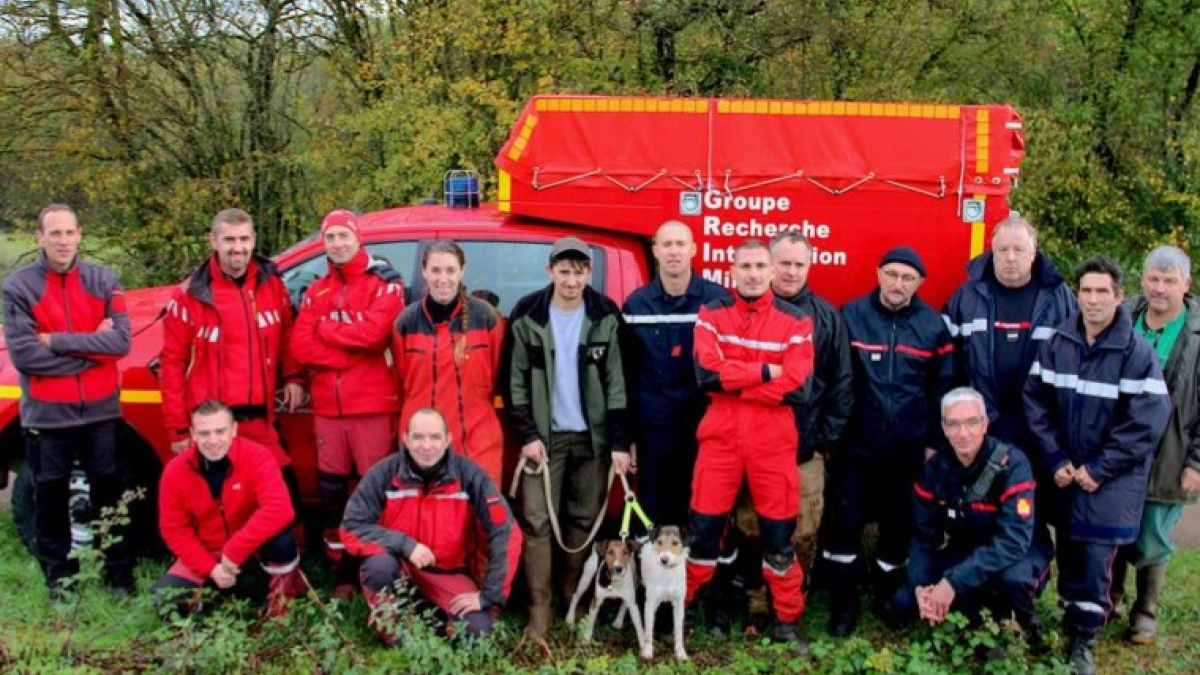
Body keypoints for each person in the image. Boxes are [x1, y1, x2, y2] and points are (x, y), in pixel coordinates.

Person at [1025, 254, 1171, 675]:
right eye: (1085, 291)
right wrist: (1054, 458)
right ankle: (1068, 620)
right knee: (1068, 550)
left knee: (1094, 559)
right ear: (1076, 294)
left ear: (1120, 296)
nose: (1092, 299)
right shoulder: (1057, 343)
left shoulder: (1136, 352)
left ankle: (1084, 640)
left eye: (1102, 292)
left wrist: (1098, 469)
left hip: (1108, 481)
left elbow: (1147, 422)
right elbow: (1035, 402)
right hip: (1064, 474)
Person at [940, 213, 1073, 617]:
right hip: (983, 434)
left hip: (1040, 435)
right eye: (1003, 249)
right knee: (981, 511)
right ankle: (982, 593)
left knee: (1036, 518)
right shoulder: (968, 296)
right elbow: (949, 368)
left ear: (1034, 253)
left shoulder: (1059, 298)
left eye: (1019, 249)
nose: (1010, 258)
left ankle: (1028, 591)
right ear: (991, 252)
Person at [684, 238, 815, 648]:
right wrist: (764, 371)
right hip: (719, 440)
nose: (754, 274)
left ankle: (787, 622)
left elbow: (798, 388)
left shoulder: (796, 321)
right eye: (746, 267)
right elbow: (706, 374)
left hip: (773, 443)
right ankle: (689, 608)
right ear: (732, 272)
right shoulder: (711, 314)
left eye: (761, 267)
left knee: (778, 541)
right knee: (704, 534)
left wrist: (735, 380)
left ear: (772, 272)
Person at [2, 204, 134, 599]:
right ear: (39, 238)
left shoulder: (102, 278)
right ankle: (60, 581)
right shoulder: (19, 287)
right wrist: (94, 347)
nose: (63, 241)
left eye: (69, 233)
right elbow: (25, 356)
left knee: (110, 494)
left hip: (100, 411)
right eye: (54, 234)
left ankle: (119, 578)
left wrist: (56, 340)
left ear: (80, 235)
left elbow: (121, 342)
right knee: (51, 499)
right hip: (49, 414)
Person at [507, 236, 633, 642]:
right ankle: (539, 610)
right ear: (550, 271)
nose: (571, 280)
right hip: (544, 440)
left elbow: (618, 383)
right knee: (538, 523)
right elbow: (516, 385)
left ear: (589, 274)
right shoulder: (527, 314)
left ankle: (572, 598)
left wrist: (618, 442)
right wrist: (527, 435)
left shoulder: (605, 315)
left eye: (579, 272)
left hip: (592, 440)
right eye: (564, 271)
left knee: (583, 520)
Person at [826, 246, 954, 636]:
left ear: (920, 283)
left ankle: (886, 598)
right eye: (892, 274)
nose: (898, 284)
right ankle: (843, 606)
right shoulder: (850, 316)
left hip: (908, 450)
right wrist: (833, 435)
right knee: (843, 527)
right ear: (878, 273)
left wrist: (934, 442)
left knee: (898, 528)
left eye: (908, 278)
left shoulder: (934, 326)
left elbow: (943, 389)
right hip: (855, 447)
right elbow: (835, 380)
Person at [290, 210, 404, 592]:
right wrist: (345, 353)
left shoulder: (381, 285)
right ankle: (342, 568)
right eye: (330, 237)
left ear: (359, 239)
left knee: (373, 491)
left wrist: (325, 329)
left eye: (344, 235)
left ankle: (374, 566)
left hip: (371, 406)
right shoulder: (316, 289)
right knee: (332, 492)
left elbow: (374, 337)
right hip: (327, 409)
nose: (338, 243)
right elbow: (300, 344)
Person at [341, 408, 521, 642]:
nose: (426, 446)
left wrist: (489, 596)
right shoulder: (383, 473)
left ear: (448, 440)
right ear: (405, 439)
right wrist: (406, 545)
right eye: (418, 437)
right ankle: (395, 636)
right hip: (399, 568)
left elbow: (506, 532)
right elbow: (352, 526)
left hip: (447, 574)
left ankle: (433, 620)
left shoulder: (470, 475)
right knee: (378, 566)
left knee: (477, 631)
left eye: (435, 437)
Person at [884, 387, 1042, 641]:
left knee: (1012, 581)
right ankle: (965, 606)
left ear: (985, 424)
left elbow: (1014, 540)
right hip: (967, 548)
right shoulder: (934, 470)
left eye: (971, 422)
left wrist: (952, 583)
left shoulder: (1014, 464)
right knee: (901, 605)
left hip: (1017, 551)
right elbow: (924, 536)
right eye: (954, 424)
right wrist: (921, 586)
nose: (963, 433)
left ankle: (1019, 626)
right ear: (944, 429)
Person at [160, 208, 305, 476]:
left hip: (262, 423)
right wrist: (179, 428)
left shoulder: (272, 286)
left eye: (243, 239)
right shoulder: (190, 297)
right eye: (229, 240)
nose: (237, 248)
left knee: (285, 506)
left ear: (253, 240)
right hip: (214, 431)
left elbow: (288, 335)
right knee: (222, 511)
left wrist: (294, 376)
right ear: (213, 241)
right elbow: (172, 365)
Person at [1112, 245, 1200, 645]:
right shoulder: (1123, 317)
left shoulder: (1196, 335)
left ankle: (1144, 612)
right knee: (1113, 526)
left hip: (1171, 451)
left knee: (1151, 533)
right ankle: (1108, 598)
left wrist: (1196, 462)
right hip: (1119, 444)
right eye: (1153, 279)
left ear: (1186, 284)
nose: (1160, 288)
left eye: (1169, 280)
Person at [151, 400, 303, 618]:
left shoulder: (258, 456)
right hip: (207, 552)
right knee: (166, 602)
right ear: (193, 434)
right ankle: (208, 607)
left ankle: (280, 609)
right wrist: (211, 568)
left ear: (234, 430)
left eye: (220, 431)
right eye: (204, 434)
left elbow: (281, 509)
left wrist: (233, 552)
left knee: (282, 542)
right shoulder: (175, 471)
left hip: (251, 549)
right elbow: (174, 530)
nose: (213, 441)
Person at [621, 220, 727, 527]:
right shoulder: (636, 304)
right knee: (653, 507)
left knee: (701, 507)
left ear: (693, 250)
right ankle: (651, 572)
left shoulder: (716, 301)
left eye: (681, 244)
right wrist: (627, 434)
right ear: (655, 251)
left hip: (705, 426)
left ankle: (697, 573)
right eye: (666, 244)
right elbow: (626, 374)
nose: (674, 252)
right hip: (654, 429)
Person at [393, 240, 506, 488]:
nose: (443, 279)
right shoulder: (406, 322)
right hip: (425, 445)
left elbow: (496, 376)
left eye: (450, 270)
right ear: (424, 272)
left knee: (481, 519)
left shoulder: (486, 318)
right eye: (435, 270)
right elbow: (402, 381)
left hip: (479, 442)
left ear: (462, 271)